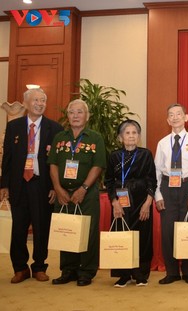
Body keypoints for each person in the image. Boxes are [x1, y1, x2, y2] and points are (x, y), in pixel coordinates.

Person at [0, 88, 63, 283]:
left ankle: (39, 267)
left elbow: (58, 162)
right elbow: (7, 158)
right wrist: (4, 185)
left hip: (41, 185)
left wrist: (55, 186)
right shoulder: (14, 127)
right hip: (18, 184)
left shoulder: (55, 128)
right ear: (26, 103)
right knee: (18, 228)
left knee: (41, 226)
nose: (40, 103)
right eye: (36, 100)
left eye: (43, 100)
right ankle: (20, 268)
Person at [48, 99, 106, 287]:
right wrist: (58, 188)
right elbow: (53, 165)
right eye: (72, 112)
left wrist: (83, 189)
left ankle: (86, 271)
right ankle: (68, 269)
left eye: (79, 112)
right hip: (63, 192)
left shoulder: (95, 137)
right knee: (66, 230)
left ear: (87, 116)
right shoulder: (59, 137)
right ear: (68, 115)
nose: (75, 115)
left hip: (86, 193)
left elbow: (98, 166)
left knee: (87, 231)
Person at [154, 103, 188, 285]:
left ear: (186, 117)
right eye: (171, 115)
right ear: (168, 120)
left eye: (178, 114)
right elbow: (157, 170)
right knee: (168, 231)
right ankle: (172, 272)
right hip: (168, 187)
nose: (175, 117)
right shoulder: (162, 143)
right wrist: (158, 195)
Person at [104, 120, 156, 287]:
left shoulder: (146, 154)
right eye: (127, 133)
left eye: (134, 133)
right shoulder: (114, 156)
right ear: (121, 137)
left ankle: (140, 273)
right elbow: (109, 181)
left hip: (141, 200)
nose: (131, 136)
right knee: (122, 234)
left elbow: (152, 180)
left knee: (142, 236)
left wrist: (148, 202)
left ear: (139, 137)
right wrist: (114, 203)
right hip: (121, 201)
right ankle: (124, 275)